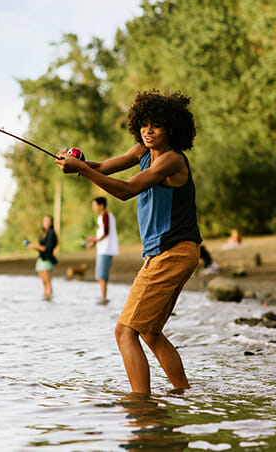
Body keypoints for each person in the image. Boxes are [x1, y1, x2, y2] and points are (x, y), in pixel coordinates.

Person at [54, 90, 201, 394]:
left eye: (156, 125)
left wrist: (81, 170)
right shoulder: (142, 152)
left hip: (171, 252)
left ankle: (141, 405)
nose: (148, 130)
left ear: (171, 129)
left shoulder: (172, 160)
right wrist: (79, 162)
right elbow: (105, 167)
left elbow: (126, 189)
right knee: (150, 332)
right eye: (144, 124)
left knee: (124, 331)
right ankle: (183, 394)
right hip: (172, 253)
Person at [86, 197, 119, 304]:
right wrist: (93, 242)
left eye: (94, 205)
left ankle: (103, 297)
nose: (93, 208)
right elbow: (102, 233)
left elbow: (106, 232)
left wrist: (94, 239)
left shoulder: (106, 215)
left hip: (106, 249)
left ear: (101, 206)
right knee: (101, 275)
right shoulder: (102, 217)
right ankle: (103, 297)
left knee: (101, 275)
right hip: (103, 249)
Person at [25, 215, 58, 300]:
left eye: (47, 221)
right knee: (44, 283)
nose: (45, 223)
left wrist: (35, 246)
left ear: (51, 223)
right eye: (44, 221)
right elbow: (41, 248)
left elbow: (48, 248)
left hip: (48, 259)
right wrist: (32, 246)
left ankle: (49, 299)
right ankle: (45, 299)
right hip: (41, 259)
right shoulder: (43, 233)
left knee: (48, 283)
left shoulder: (51, 233)